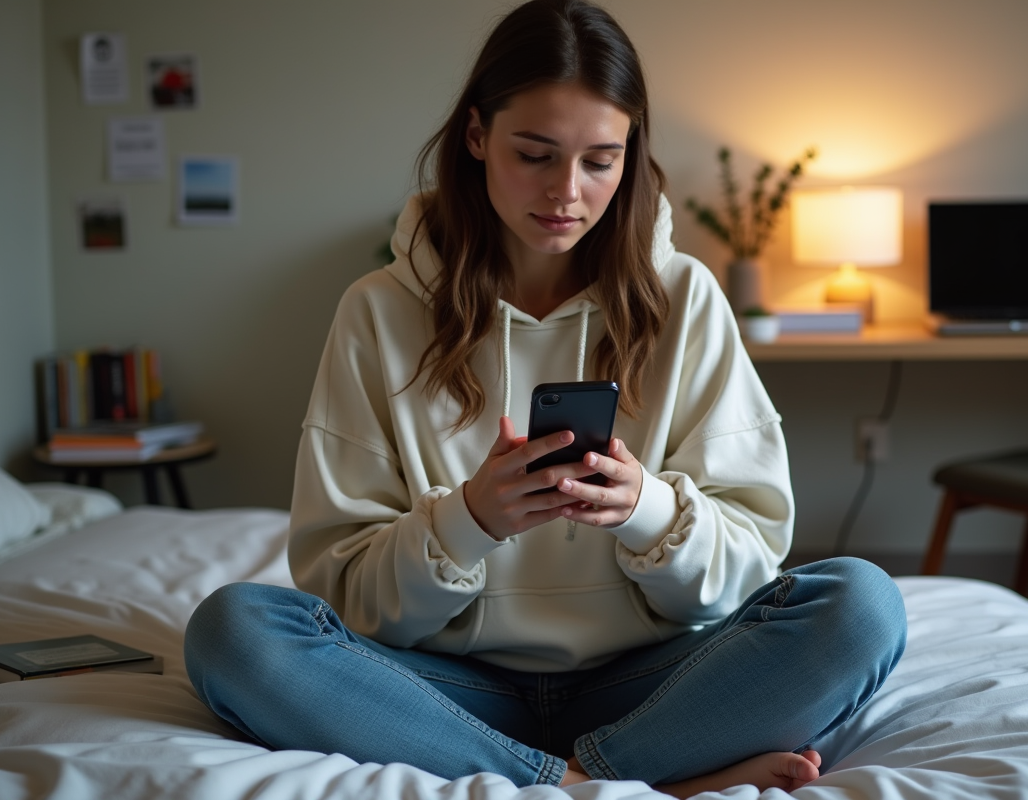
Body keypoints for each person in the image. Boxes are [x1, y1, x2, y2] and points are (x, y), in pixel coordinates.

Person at [183, 0, 906, 794]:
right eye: (535, 153)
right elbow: (346, 594)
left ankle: (574, 776)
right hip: (442, 685)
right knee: (235, 631)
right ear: (476, 137)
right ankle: (607, 781)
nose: (568, 191)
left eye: (601, 160)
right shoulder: (377, 311)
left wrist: (649, 511)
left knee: (862, 605)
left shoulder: (685, 300)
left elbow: (750, 567)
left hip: (650, 679)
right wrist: (468, 521)